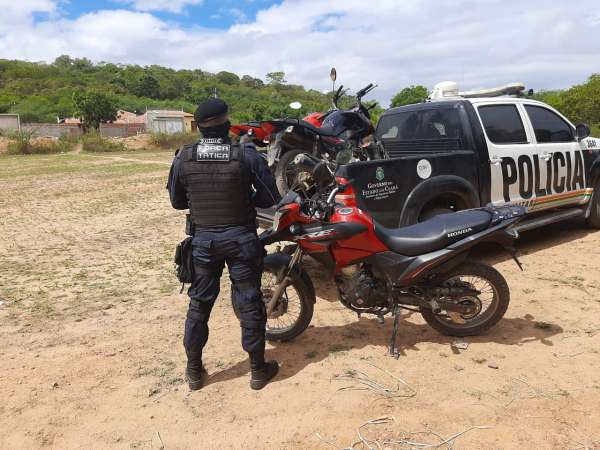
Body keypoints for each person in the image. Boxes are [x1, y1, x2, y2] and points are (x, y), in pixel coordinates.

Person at [167, 98, 281, 391]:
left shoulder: (184, 156)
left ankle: (194, 372)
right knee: (250, 302)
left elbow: (177, 202)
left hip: (204, 242)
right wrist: (243, 198)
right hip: (241, 240)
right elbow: (270, 197)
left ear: (199, 127)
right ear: (227, 123)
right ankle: (257, 370)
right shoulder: (245, 154)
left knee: (199, 305)